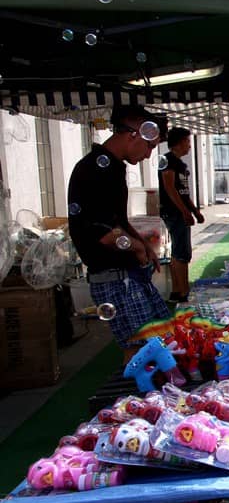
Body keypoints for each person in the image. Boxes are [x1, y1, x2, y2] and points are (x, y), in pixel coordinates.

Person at [67, 104, 170, 364]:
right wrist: (138, 248)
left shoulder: (113, 167)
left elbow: (119, 221)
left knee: (159, 338)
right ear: (133, 134)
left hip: (126, 274)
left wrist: (143, 246)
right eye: (149, 146)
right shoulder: (94, 169)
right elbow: (103, 234)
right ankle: (140, 388)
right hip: (113, 278)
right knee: (143, 350)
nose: (148, 155)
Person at [158, 127, 204, 303]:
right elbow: (170, 188)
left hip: (179, 211)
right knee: (181, 253)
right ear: (177, 143)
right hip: (173, 212)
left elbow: (184, 192)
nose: (189, 146)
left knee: (180, 251)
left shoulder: (180, 164)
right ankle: (182, 291)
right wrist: (185, 212)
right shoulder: (167, 161)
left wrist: (195, 211)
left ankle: (178, 291)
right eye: (187, 141)